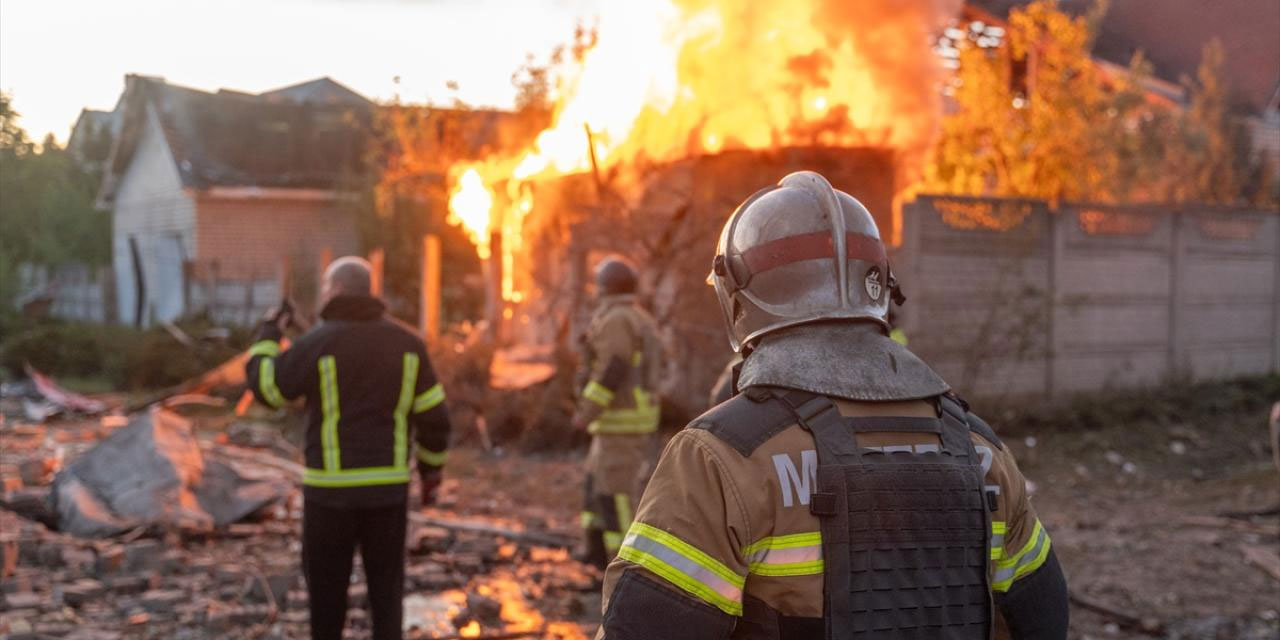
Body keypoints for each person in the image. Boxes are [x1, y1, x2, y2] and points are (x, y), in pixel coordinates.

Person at [597, 172, 1068, 639]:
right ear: (880, 287)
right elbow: (1043, 620)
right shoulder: (981, 450)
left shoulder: (720, 459)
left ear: (738, 298)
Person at [245, 256, 452, 640]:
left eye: (326, 288)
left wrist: (269, 333)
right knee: (386, 598)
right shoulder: (409, 345)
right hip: (387, 495)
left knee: (327, 601)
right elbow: (435, 419)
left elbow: (269, 387)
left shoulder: (318, 343)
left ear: (336, 290)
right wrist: (431, 475)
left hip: (329, 495)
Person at [572, 257, 663, 569]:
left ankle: (626, 567)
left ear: (604, 287)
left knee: (617, 496)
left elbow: (614, 367)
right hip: (619, 422)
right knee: (596, 486)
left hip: (620, 421)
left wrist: (587, 410)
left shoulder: (616, 320)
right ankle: (596, 552)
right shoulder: (636, 316)